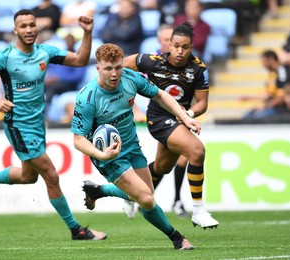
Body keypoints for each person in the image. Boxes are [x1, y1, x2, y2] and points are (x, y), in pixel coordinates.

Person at [0, 9, 106, 241]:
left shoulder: (45, 52)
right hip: (18, 124)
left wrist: (87, 33)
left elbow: (81, 60)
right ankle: (76, 229)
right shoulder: (4, 56)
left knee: (28, 176)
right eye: (23, 26)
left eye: (32, 25)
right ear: (15, 30)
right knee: (51, 175)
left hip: (38, 125)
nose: (29, 29)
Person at [71, 43, 199, 250]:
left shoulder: (130, 78)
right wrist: (101, 155)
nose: (114, 74)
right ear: (98, 68)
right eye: (108, 68)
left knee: (144, 194)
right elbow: (78, 140)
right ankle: (177, 238)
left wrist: (184, 116)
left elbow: (160, 95)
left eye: (118, 67)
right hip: (107, 154)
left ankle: (98, 191)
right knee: (146, 199)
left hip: (131, 144)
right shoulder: (87, 98)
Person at [123, 21, 219, 229]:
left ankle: (130, 192)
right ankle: (199, 210)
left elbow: (202, 103)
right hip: (158, 118)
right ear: (169, 44)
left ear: (191, 47)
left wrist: (189, 114)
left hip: (179, 120)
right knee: (197, 151)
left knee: (162, 167)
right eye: (175, 45)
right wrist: (126, 96)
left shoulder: (198, 69)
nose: (179, 51)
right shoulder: (152, 61)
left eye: (184, 47)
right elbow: (121, 65)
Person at [241, 49, 286, 120]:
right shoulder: (272, 74)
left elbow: (281, 96)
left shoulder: (281, 72)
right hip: (270, 106)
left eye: (263, 60)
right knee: (247, 115)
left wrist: (265, 107)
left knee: (255, 118)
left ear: (271, 59)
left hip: (279, 109)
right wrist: (249, 97)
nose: (262, 64)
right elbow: (268, 94)